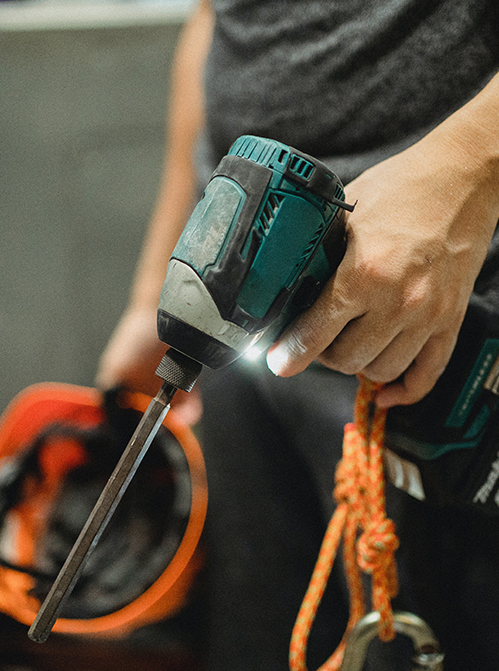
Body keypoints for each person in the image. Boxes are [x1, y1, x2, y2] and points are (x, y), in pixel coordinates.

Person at [97, 1, 499, 669]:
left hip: (436, 318)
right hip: (248, 326)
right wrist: (151, 299)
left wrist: (470, 165)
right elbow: (217, 16)